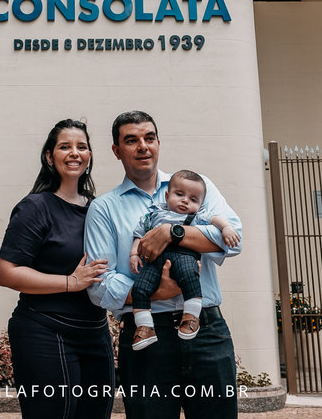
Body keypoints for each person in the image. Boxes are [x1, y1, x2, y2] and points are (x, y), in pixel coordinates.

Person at [84, 111, 242, 419]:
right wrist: (156, 292)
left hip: (207, 332)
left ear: (158, 143)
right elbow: (99, 286)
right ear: (117, 151)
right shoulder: (103, 208)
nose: (143, 146)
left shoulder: (196, 186)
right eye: (132, 140)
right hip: (146, 339)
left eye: (149, 138)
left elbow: (232, 239)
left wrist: (173, 231)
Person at [0, 119, 115, 419]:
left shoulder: (98, 209)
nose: (74, 152)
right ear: (50, 157)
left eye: (81, 146)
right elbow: (6, 272)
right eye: (65, 146)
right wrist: (70, 282)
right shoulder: (35, 207)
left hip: (95, 331)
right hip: (43, 330)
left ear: (89, 156)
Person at [127, 170, 240, 351]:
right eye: (179, 195)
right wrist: (134, 254)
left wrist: (226, 227)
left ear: (200, 204)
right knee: (139, 288)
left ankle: (191, 317)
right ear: (167, 195)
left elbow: (216, 219)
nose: (185, 200)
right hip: (154, 262)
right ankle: (145, 327)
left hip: (184, 256)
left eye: (193, 199)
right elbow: (139, 235)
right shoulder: (152, 214)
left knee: (189, 275)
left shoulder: (196, 216)